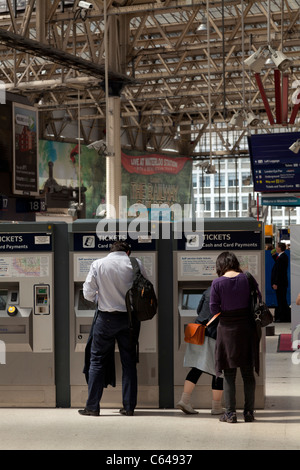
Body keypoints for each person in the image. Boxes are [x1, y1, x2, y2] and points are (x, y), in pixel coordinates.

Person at [78, 240, 147, 417]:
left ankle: (92, 406)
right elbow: (145, 289)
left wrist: (100, 299)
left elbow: (87, 293)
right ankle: (129, 407)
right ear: (128, 252)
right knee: (129, 362)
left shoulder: (98, 264)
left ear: (111, 251)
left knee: (97, 361)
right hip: (130, 319)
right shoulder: (136, 264)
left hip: (105, 319)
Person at [210, 251, 261, 423]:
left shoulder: (217, 283)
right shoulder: (247, 278)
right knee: (248, 374)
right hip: (246, 330)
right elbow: (258, 300)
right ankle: (249, 413)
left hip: (227, 332)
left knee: (229, 374)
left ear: (220, 265)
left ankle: (230, 414)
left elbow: (214, 310)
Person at [176, 286, 224, 415]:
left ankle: (184, 400)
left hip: (198, 332)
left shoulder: (208, 290)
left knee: (197, 368)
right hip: (214, 334)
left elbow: (198, 310)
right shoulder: (226, 291)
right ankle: (216, 407)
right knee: (218, 371)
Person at [271, 242, 291, 322]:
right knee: (282, 300)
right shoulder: (282, 256)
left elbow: (279, 271)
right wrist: (274, 255)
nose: (275, 248)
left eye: (276, 247)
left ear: (279, 248)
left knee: (281, 300)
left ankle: (283, 317)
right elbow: (277, 261)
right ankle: (284, 317)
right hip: (281, 283)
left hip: (280, 283)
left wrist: (276, 283)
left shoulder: (282, 257)